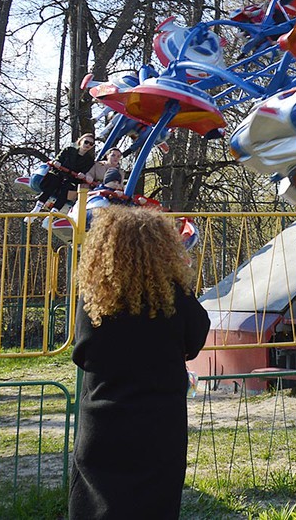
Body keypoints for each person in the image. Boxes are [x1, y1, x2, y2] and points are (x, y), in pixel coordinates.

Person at [68, 205, 211, 520]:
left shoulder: (95, 297)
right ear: (164, 248)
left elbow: (83, 353)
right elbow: (197, 337)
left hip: (103, 422)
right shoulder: (175, 296)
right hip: (160, 426)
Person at [36, 133, 96, 210]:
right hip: (59, 174)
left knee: (67, 188)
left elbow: (85, 171)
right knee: (54, 179)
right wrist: (56, 163)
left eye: (91, 144)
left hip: (71, 180)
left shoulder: (89, 160)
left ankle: (54, 211)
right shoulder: (68, 150)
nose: (88, 145)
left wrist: (82, 175)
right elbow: (58, 159)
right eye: (86, 142)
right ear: (80, 141)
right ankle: (38, 205)